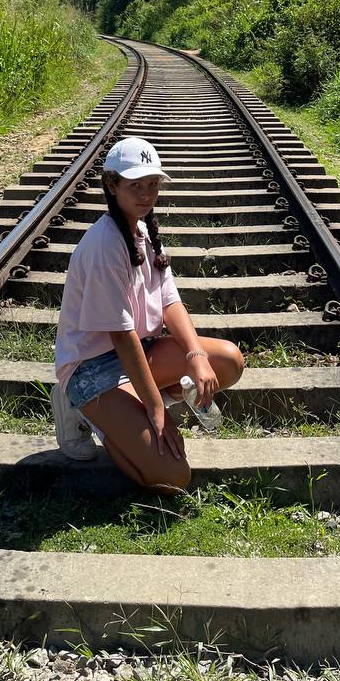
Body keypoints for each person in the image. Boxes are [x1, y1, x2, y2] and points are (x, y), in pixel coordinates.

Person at [51, 135, 245, 493]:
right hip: (93, 368)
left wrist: (196, 356)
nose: (145, 194)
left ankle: (126, 411)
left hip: (140, 352)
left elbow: (171, 302)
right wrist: (156, 409)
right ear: (112, 185)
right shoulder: (104, 244)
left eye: (152, 185)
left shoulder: (144, 231)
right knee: (172, 478)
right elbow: (120, 335)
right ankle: (85, 411)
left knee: (227, 361)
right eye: (134, 185)